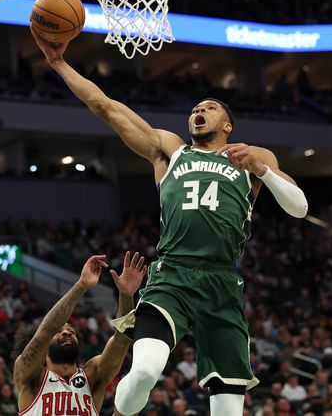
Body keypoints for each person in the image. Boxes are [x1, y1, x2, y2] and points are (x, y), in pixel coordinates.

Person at [30, 30, 308, 416]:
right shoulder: (169, 151)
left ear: (227, 125)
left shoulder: (252, 157)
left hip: (223, 282)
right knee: (144, 370)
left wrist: (263, 169)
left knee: (228, 410)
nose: (199, 111)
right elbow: (106, 106)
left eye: (209, 107)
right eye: (195, 107)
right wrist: (58, 63)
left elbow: (298, 207)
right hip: (173, 274)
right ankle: (122, 409)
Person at [12, 252, 146, 415]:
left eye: (71, 331)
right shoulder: (32, 376)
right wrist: (81, 285)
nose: (67, 332)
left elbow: (122, 340)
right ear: (44, 347)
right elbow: (45, 332)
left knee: (132, 391)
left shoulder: (92, 374)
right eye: (60, 331)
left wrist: (126, 296)